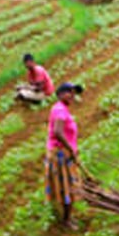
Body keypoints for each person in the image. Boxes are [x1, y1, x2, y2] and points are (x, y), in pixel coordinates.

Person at [45, 81, 84, 227]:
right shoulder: (60, 110)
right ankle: (66, 220)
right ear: (60, 94)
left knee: (68, 185)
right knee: (68, 186)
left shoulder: (62, 109)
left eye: (74, 93)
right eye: (70, 92)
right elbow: (58, 132)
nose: (73, 95)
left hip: (64, 152)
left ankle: (67, 217)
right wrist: (70, 149)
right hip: (61, 154)